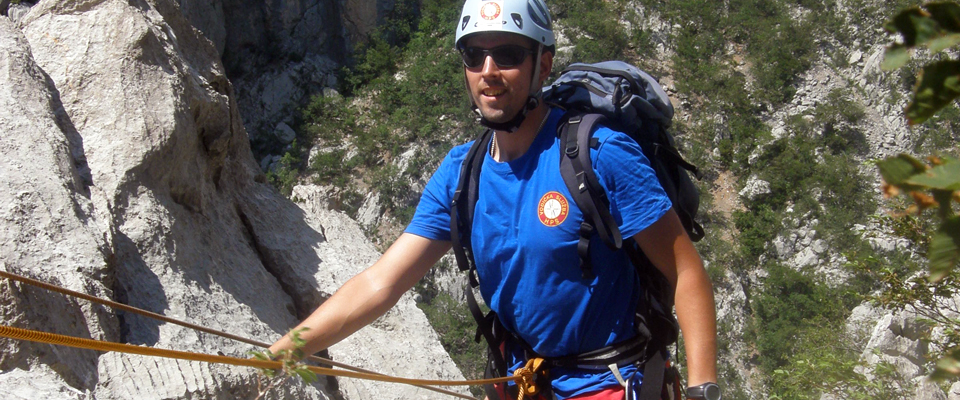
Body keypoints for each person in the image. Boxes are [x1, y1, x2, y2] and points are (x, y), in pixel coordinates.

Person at [269, 0, 719, 399]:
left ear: (543, 65)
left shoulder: (599, 154)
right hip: (522, 380)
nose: (488, 70)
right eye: (474, 55)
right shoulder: (462, 174)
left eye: (507, 54)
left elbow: (685, 271)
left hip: (607, 383)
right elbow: (381, 283)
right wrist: (286, 350)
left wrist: (703, 390)